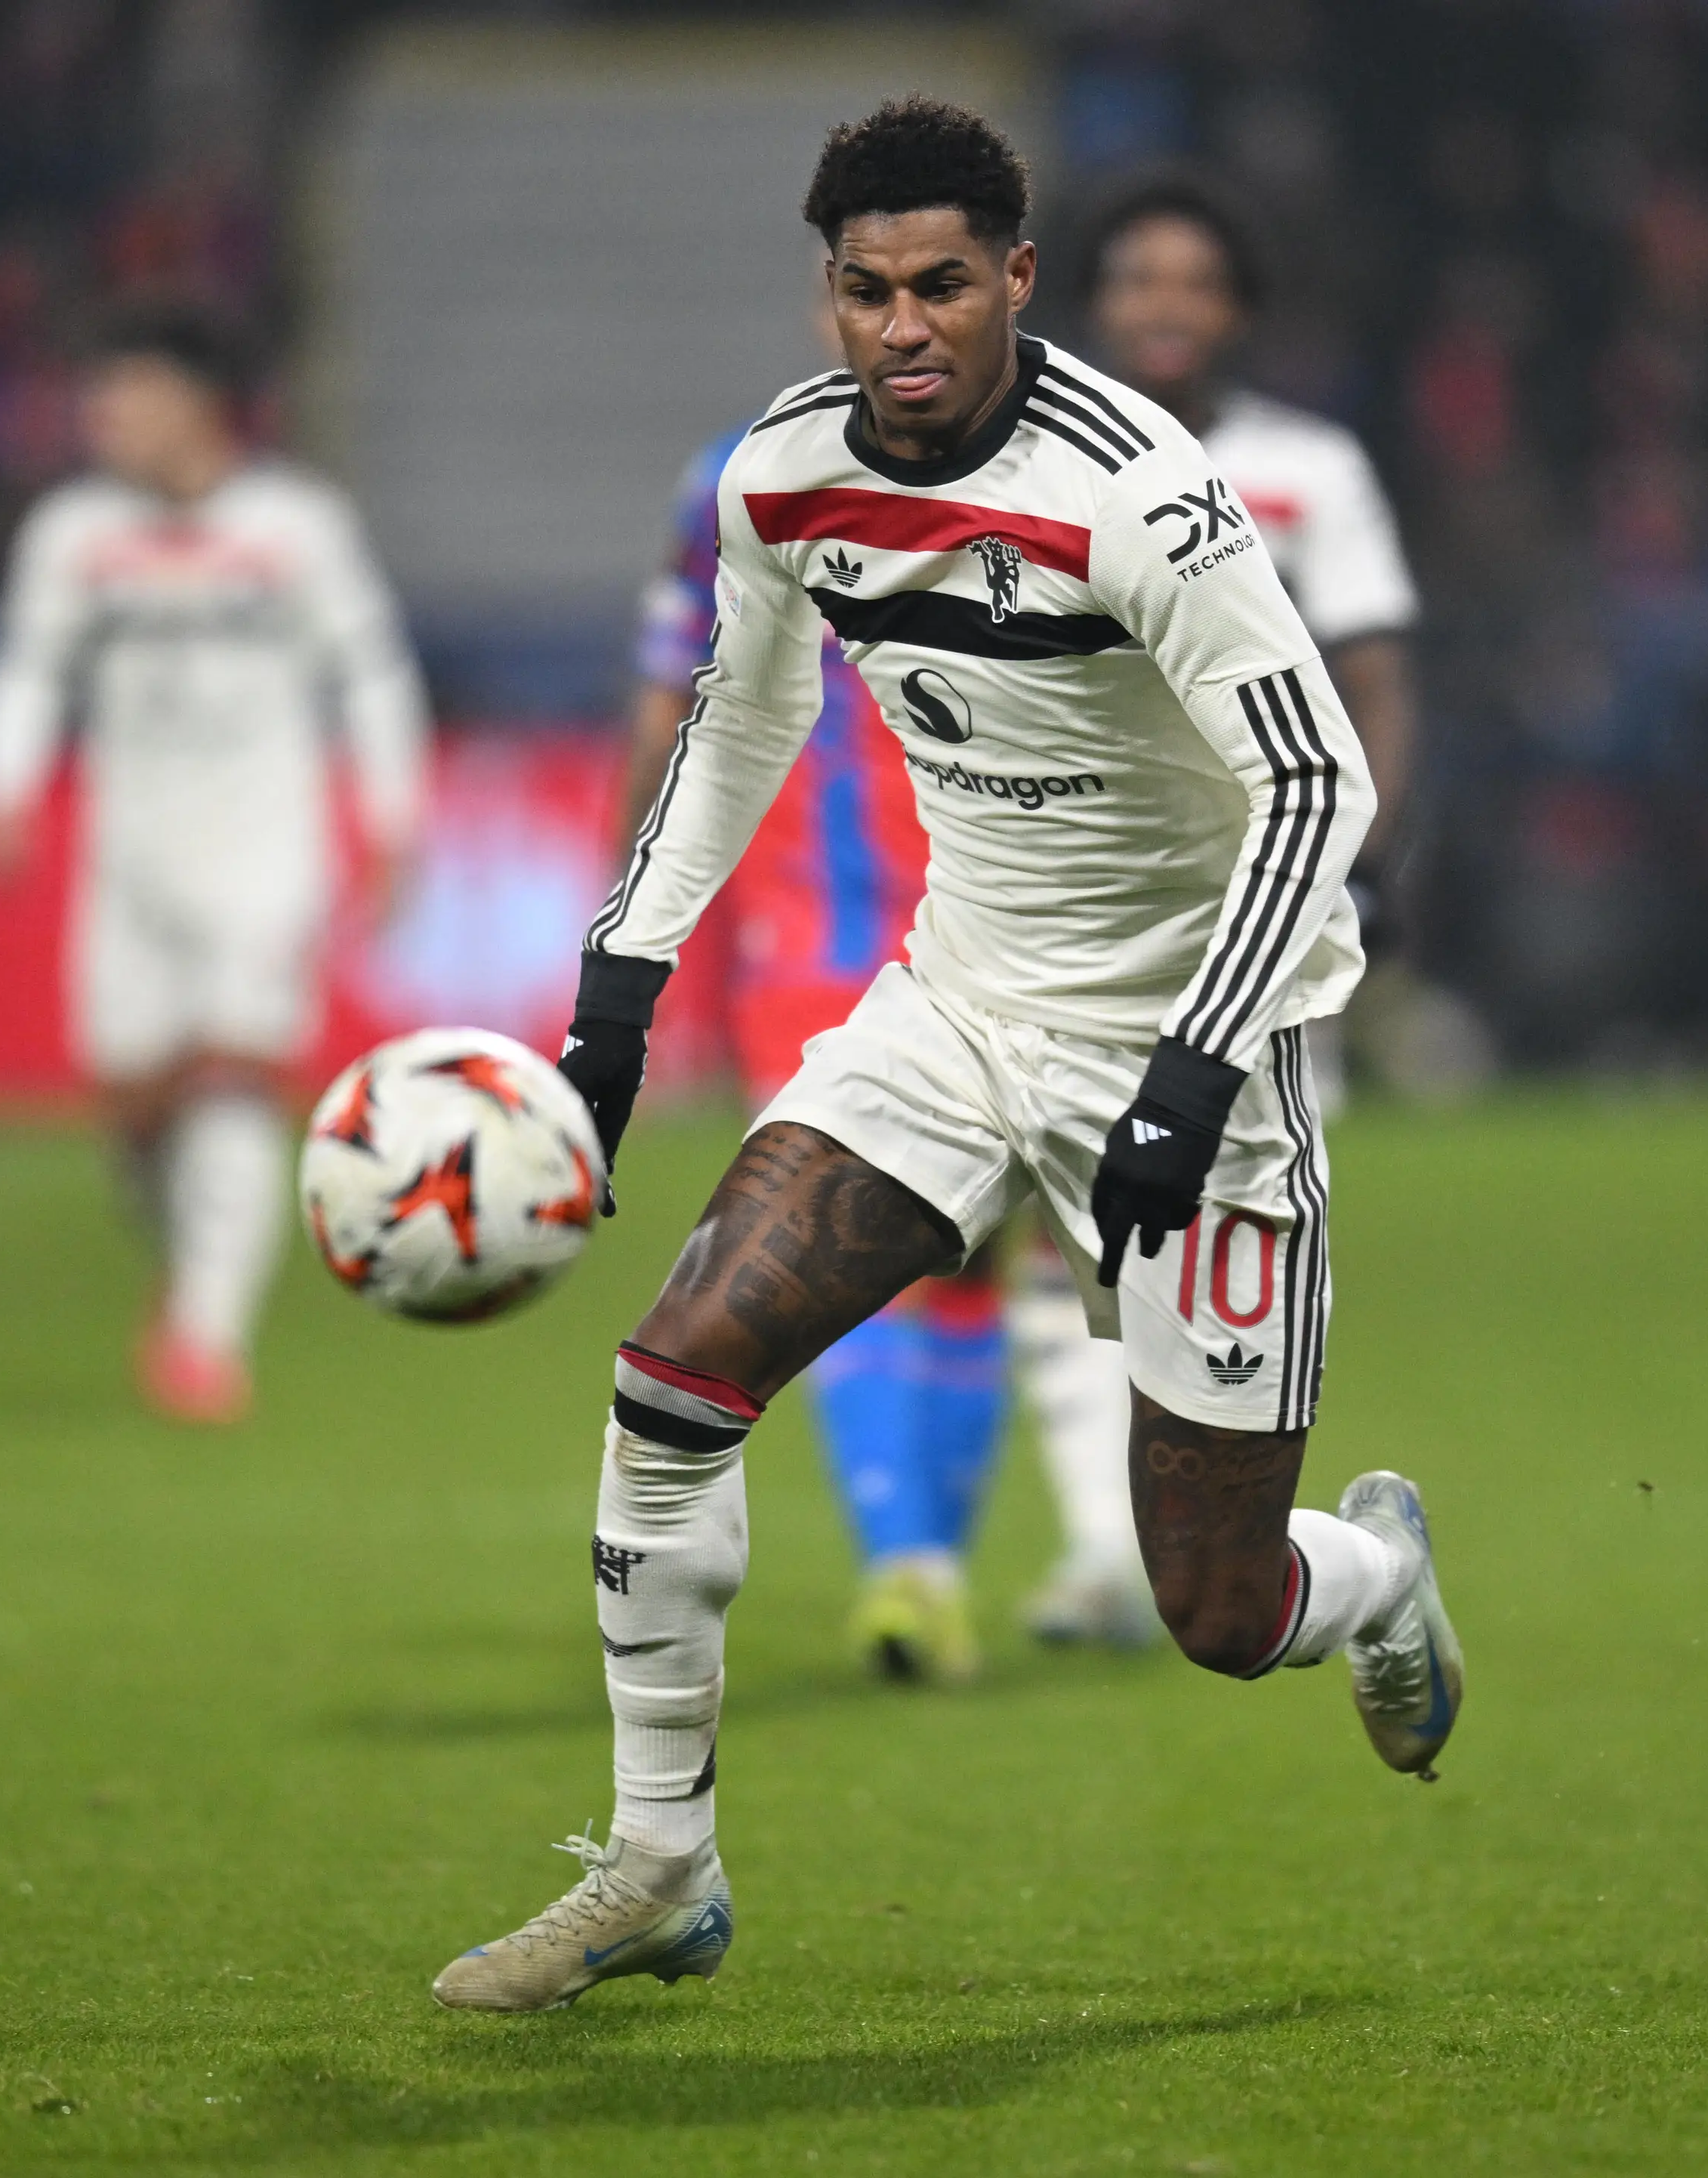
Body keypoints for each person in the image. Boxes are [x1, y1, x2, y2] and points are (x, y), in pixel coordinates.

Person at [433, 99, 1460, 2013]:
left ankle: (1380, 1580)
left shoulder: (1139, 492)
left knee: (1216, 1606)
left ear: (1017, 281)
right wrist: (616, 998)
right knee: (673, 1378)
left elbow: (1317, 783)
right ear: (828, 294)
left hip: (1193, 1043)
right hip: (957, 1012)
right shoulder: (782, 477)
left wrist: (1196, 1069)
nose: (901, 327)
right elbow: (737, 728)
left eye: (941, 286)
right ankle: (658, 1863)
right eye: (864, 290)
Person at [1009, 171, 1427, 1651]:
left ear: (1239, 309)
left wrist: (1363, 858)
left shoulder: (1309, 469)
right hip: (1091, 909)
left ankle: (1251, 1551)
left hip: (1261, 907)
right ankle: (1105, 1552)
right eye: (1139, 279)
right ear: (1093, 298)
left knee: (1210, 1245)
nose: (1165, 306)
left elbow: (1374, 678)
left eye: (1195, 281)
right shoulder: (1036, 461)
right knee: (1060, 1235)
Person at [0, 307, 428, 1424]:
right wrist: (1, 785)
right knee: (135, 1107)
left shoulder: (297, 526)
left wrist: (392, 819)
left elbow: (370, 673)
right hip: (131, 857)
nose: (103, 417)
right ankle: (189, 1268)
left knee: (233, 1075)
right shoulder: (74, 533)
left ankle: (205, 1337)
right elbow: (28, 669)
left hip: (265, 849)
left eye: (127, 393)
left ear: (199, 404)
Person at [623, 418, 1008, 1684]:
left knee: (972, 1254)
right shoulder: (740, 480)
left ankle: (930, 1567)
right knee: (837, 1239)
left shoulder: (1056, 467)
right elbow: (674, 697)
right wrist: (637, 909)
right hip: (816, 927)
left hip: (1002, 920)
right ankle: (908, 1563)